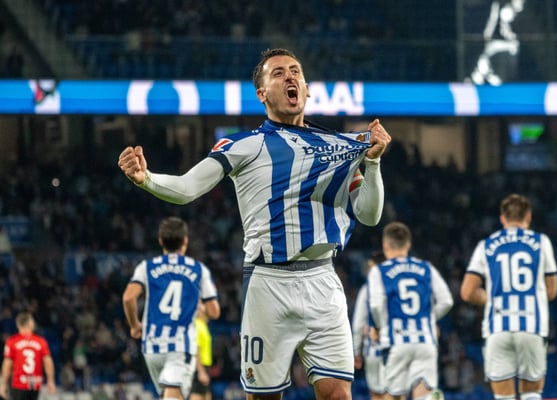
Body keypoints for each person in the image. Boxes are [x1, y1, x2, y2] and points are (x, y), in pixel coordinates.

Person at [118, 47, 391, 400]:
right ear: (262, 94)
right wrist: (146, 179)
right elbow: (187, 188)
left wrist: (373, 164)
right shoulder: (244, 145)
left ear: (307, 89)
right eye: (278, 73)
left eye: (295, 71)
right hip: (268, 285)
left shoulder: (338, 150)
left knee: (338, 395)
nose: (290, 76)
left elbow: (369, 215)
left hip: (323, 281)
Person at [460, 193, 557, 400]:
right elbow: (552, 291)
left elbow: (467, 292)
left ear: (502, 218)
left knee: (504, 398)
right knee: (531, 394)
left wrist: (494, 298)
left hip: (498, 327)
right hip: (531, 326)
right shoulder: (542, 242)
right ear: (528, 216)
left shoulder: (486, 245)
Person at [122, 217, 221, 400]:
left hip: (152, 347)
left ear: (160, 241)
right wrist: (199, 306)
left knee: (166, 395)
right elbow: (214, 311)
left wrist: (135, 325)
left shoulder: (146, 267)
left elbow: (128, 297)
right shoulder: (199, 270)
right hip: (180, 346)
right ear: (185, 241)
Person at [368, 222, 453, 400]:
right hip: (425, 340)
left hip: (396, 340)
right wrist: (428, 319)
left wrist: (378, 327)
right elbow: (446, 301)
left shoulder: (379, 271)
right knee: (423, 391)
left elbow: (375, 306)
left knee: (393, 394)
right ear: (408, 245)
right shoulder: (426, 268)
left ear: (385, 245)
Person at [351, 251, 386, 400]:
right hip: (396, 348)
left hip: (373, 350)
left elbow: (358, 325)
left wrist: (356, 352)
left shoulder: (367, 290)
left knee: (377, 394)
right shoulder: (396, 286)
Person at [0, 312, 56, 400]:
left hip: (18, 383)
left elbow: (7, 364)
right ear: (30, 324)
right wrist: (51, 381)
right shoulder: (41, 341)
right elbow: (48, 362)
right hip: (35, 383)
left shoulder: (12, 341)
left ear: (18, 325)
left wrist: (3, 384)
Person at [190, 302, 213, 400]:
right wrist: (201, 371)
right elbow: (196, 349)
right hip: (199, 367)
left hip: (205, 366)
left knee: (207, 396)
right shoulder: (196, 325)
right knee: (197, 395)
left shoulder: (203, 325)